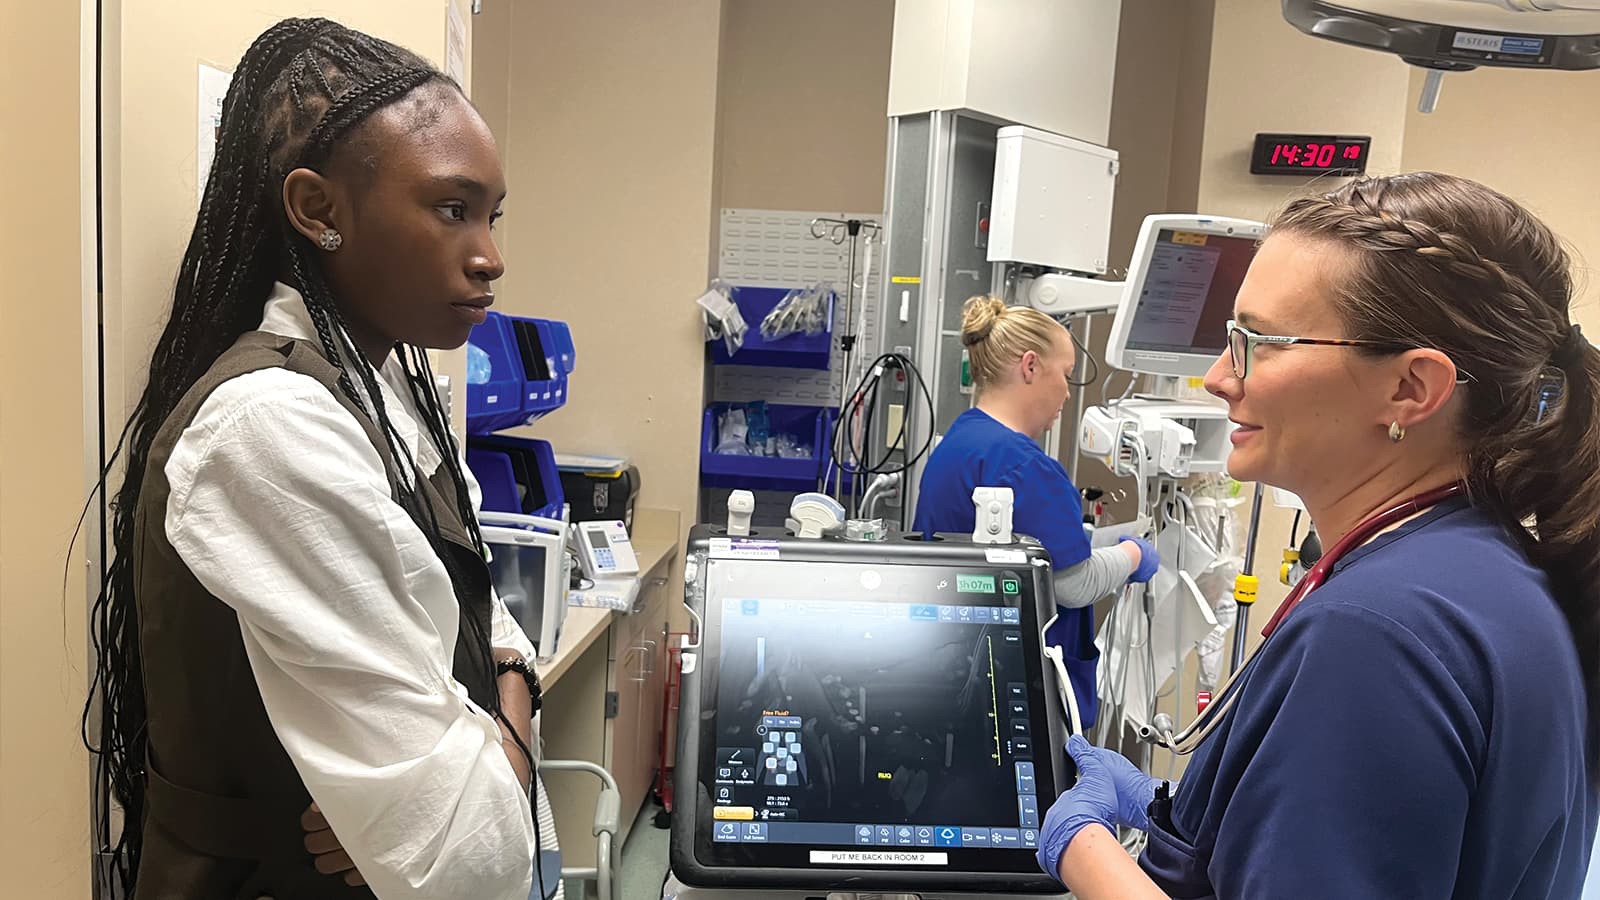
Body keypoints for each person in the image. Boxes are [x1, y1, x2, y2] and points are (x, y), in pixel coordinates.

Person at [1037, 172, 1599, 898]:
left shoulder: (1376, 634)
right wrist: (1179, 812)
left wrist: (1082, 850)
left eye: (1258, 344)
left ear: (1410, 389)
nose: (1217, 378)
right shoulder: (1484, 572)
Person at [83, 19, 543, 899]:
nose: (490, 257)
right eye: (452, 209)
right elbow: (473, 854)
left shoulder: (387, 392)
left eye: (492, 214)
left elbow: (481, 620)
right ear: (319, 210)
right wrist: (494, 750)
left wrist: (500, 708)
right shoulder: (269, 427)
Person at [913, 297, 1159, 729]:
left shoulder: (962, 439)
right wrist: (1135, 556)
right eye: (1064, 375)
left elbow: (1025, 549)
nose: (1067, 393)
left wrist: (1098, 543)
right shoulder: (1024, 466)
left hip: (951, 669)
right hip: (1013, 689)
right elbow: (1075, 585)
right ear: (1029, 367)